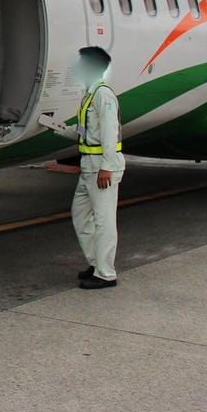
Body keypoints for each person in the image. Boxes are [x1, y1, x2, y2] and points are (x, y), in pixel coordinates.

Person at [67, 46, 124, 289]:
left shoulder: (103, 95)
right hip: (88, 167)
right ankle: (96, 261)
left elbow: (110, 132)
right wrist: (56, 128)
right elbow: (86, 132)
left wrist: (107, 168)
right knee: (80, 214)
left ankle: (105, 274)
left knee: (104, 220)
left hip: (101, 167)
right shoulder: (88, 95)